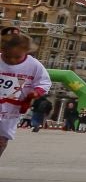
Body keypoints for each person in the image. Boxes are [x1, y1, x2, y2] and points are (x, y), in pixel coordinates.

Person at [0, 29, 52, 163]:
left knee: (2, 140)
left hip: (11, 109)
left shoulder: (34, 65)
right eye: (7, 56)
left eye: (17, 57)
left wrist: (36, 92)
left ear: (26, 51)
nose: (11, 60)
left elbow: (44, 82)